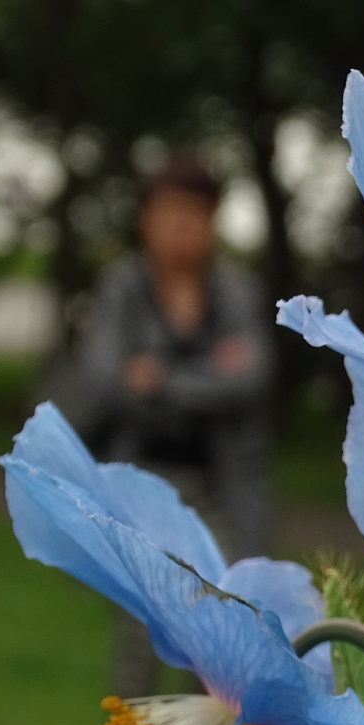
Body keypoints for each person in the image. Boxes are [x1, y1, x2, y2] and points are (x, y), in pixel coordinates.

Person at [64, 153, 274, 696]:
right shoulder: (121, 290)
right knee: (142, 623)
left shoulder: (235, 292)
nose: (182, 228)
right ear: (146, 219)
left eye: (195, 214)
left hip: (220, 486)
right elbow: (107, 381)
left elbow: (251, 379)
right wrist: (207, 378)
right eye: (170, 213)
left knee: (222, 617)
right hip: (142, 480)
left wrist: (161, 381)